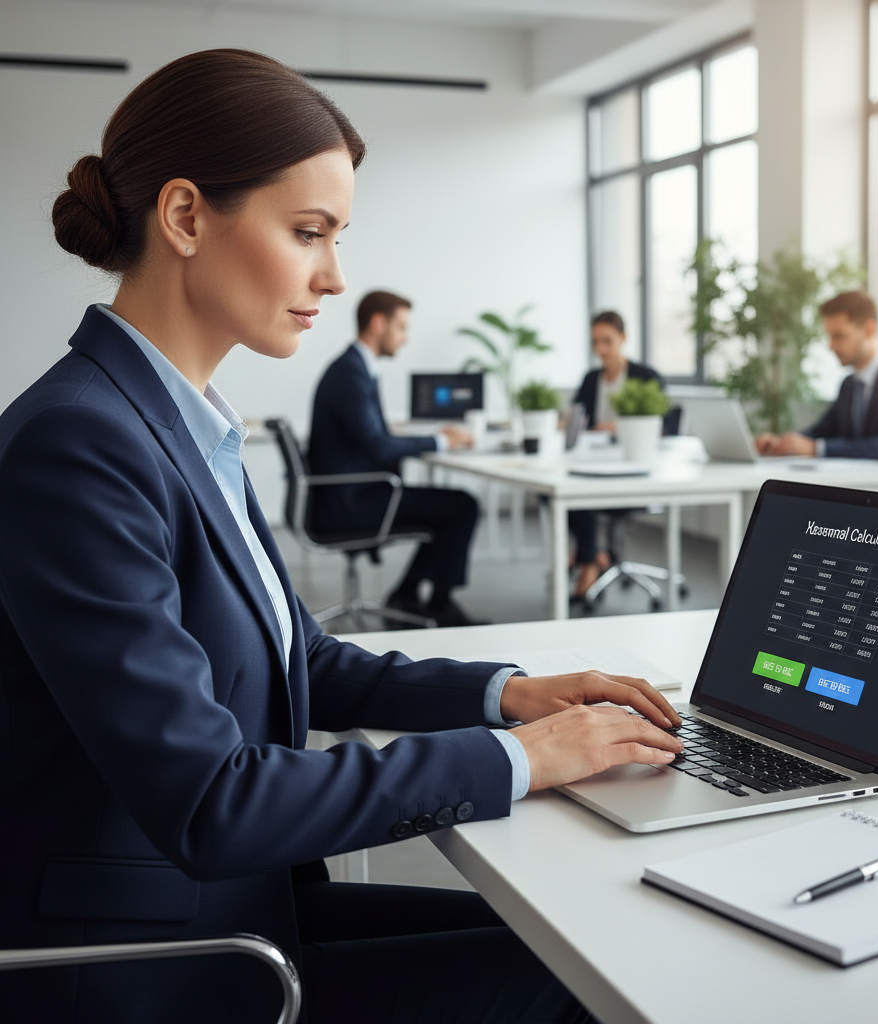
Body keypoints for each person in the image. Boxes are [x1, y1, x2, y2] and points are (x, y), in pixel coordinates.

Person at [0, 49, 686, 1024]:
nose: (334, 274)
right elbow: (213, 799)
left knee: (584, 947)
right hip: (152, 959)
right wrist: (531, 757)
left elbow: (300, 659)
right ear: (186, 217)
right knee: (590, 985)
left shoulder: (181, 420)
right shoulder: (80, 443)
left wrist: (510, 695)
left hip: (241, 903)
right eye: (308, 231)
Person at [307, 290, 482, 627]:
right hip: (351, 503)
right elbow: (379, 446)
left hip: (351, 494)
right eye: (401, 327)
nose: (405, 338)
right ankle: (437, 603)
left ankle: (409, 593)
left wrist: (430, 438)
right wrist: (440, 440)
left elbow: (375, 439)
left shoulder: (355, 368)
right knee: (462, 506)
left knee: (450, 507)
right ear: (378, 323)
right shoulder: (350, 374)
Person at [755, 290, 878, 460]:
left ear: (869, 329)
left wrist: (817, 448)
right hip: (859, 483)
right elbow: (822, 432)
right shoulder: (849, 384)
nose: (831, 346)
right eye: (829, 337)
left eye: (839, 336)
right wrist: (782, 444)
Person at [568, 311, 665, 600]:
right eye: (595, 342)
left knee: (580, 491)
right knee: (562, 487)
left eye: (607, 341)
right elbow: (577, 416)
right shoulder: (590, 379)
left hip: (633, 468)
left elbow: (664, 425)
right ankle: (594, 552)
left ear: (623, 339)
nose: (600, 349)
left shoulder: (646, 377)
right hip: (594, 460)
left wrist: (619, 427)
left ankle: (589, 561)